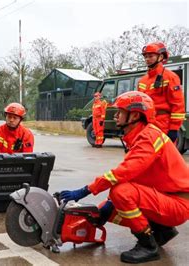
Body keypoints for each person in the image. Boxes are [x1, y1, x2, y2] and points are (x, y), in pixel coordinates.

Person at [60, 91, 189, 264]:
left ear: (134, 115)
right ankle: (162, 231)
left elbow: (123, 172)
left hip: (178, 204)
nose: (116, 115)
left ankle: (148, 245)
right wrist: (103, 209)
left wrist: (86, 190)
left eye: (120, 111)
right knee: (107, 208)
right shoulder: (139, 137)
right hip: (167, 198)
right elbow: (133, 177)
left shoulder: (148, 137)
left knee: (121, 193)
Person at [138, 42, 185, 142]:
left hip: (163, 125)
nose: (147, 59)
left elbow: (178, 105)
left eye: (150, 56)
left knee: (164, 156)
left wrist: (174, 129)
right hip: (146, 124)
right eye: (145, 56)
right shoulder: (142, 80)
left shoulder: (171, 77)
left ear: (161, 57)